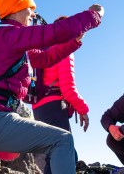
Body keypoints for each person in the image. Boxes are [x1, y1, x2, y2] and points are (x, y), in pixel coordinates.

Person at [0, 0, 104, 174]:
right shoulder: (12, 34)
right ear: (17, 9)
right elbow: (56, 32)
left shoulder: (0, 38)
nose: (33, 14)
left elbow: (44, 58)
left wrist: (75, 41)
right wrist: (94, 15)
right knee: (62, 139)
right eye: (30, 8)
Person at [31, 16, 89, 174]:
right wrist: (83, 110)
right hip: (54, 107)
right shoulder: (63, 49)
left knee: (53, 153)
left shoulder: (45, 48)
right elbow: (68, 87)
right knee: (63, 153)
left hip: (38, 107)